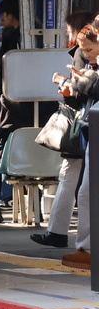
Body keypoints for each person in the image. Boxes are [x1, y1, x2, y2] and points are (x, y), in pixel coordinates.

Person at [31, 10, 96, 248]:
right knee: (81, 186)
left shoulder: (81, 52)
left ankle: (68, 237)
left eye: (69, 30)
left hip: (84, 124)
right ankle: (75, 241)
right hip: (87, 122)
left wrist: (67, 83)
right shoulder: (86, 53)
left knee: (77, 183)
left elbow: (84, 90)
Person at [49, 24, 99, 269]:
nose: (86, 54)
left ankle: (89, 249)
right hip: (92, 126)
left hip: (94, 127)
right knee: (86, 191)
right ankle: (86, 247)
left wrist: (79, 82)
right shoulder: (93, 65)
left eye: (89, 49)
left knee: (88, 192)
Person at [0, 0, 32, 223]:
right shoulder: (33, 40)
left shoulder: (9, 42)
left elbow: (0, 75)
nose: (1, 19)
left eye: (3, 14)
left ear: (11, 14)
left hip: (7, 113)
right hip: (32, 114)